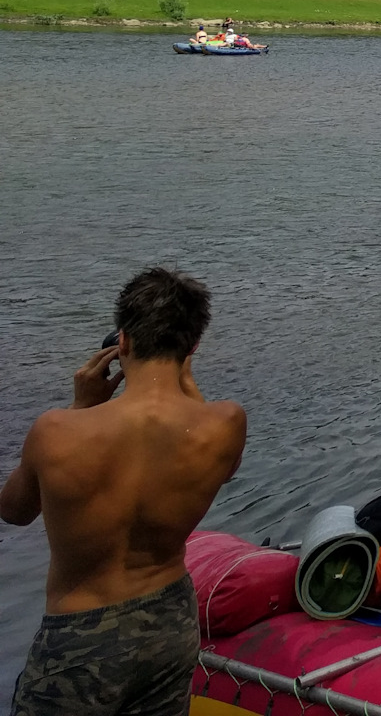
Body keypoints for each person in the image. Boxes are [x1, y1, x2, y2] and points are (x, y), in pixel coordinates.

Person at [3, 268, 247, 716]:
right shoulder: (226, 423)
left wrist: (80, 407)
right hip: (171, 620)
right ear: (193, 346)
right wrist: (185, 380)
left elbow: (13, 511)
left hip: (80, 636)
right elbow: (225, 469)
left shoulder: (55, 431)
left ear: (123, 342)